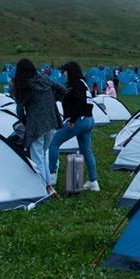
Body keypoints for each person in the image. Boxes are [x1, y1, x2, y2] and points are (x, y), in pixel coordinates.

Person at [12, 58, 67, 190]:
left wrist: (24, 120)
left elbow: (20, 109)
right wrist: (50, 100)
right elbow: (62, 90)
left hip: (36, 125)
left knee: (37, 157)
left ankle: (42, 189)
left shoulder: (25, 85)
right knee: (42, 155)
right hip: (51, 121)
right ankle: (48, 187)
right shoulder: (44, 80)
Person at [50, 62, 100, 191]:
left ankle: (51, 176)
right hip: (89, 119)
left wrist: (72, 119)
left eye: (64, 71)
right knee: (86, 150)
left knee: (54, 143)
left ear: (70, 71)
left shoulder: (76, 84)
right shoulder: (83, 84)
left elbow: (80, 103)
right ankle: (93, 182)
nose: (63, 74)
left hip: (79, 120)